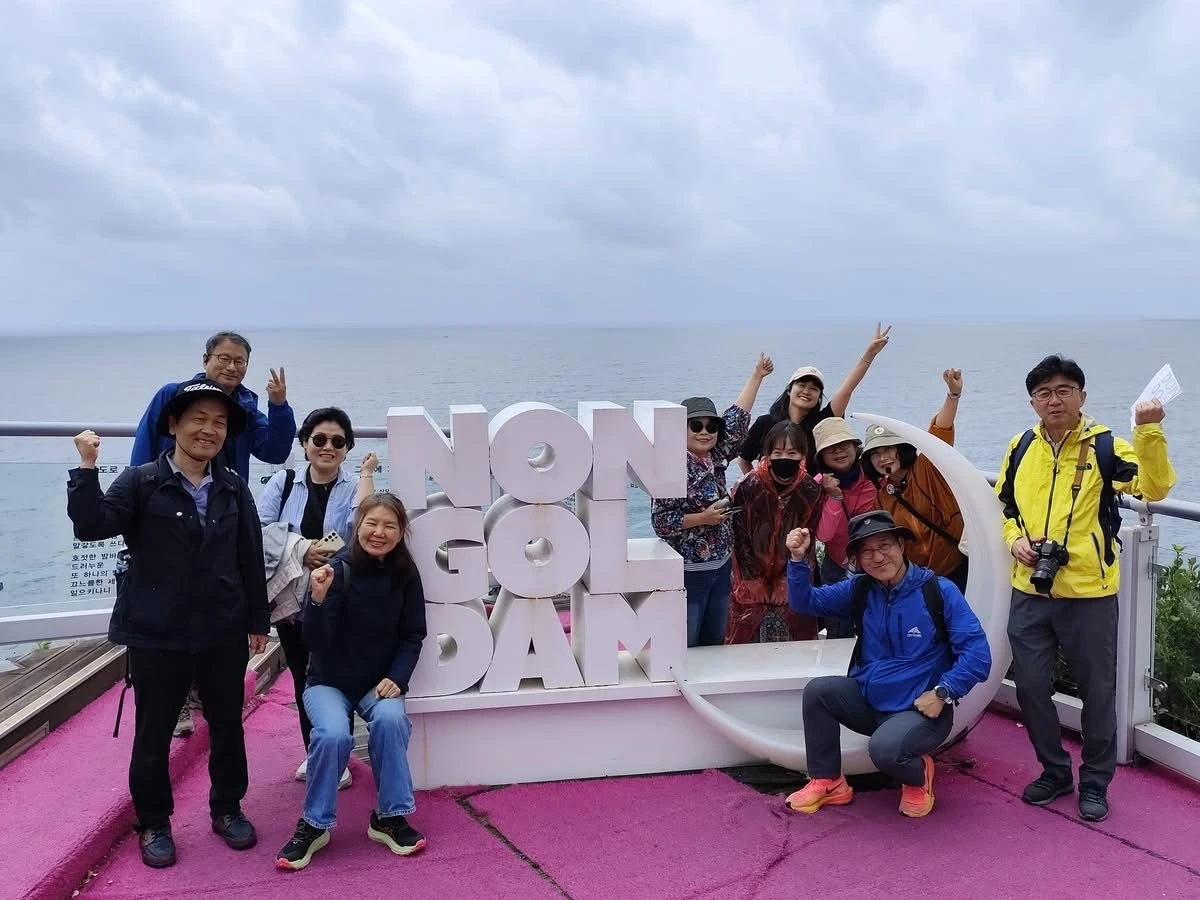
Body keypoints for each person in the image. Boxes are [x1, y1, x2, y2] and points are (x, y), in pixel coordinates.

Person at [67, 378, 269, 869]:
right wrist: (86, 468)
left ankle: (227, 808)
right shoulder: (141, 481)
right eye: (199, 419)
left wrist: (258, 621)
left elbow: (249, 554)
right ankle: (154, 822)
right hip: (158, 632)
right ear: (173, 424)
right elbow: (91, 526)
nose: (209, 430)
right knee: (154, 733)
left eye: (219, 422)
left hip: (222, 629)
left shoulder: (233, 486)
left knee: (228, 726)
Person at [997, 354, 1176, 824]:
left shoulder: (1107, 447)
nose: (1053, 400)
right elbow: (1007, 507)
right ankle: (1055, 771)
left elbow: (1154, 489)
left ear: (1081, 396)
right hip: (1030, 589)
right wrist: (1015, 541)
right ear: (1033, 401)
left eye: (1063, 391)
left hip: (1089, 593)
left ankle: (1095, 782)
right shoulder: (1020, 446)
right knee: (1030, 687)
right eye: (1043, 393)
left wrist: (1149, 431)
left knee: (1098, 693)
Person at [131, 330, 296, 738]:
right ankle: (178, 699)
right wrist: (138, 505)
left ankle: (205, 686)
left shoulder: (245, 407)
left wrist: (278, 407)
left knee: (220, 596)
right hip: (170, 512)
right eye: (224, 358)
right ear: (205, 359)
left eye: (240, 362)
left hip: (225, 514)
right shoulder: (173, 395)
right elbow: (142, 451)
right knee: (176, 601)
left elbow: (274, 451)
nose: (232, 367)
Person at [781, 511, 991, 818]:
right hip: (872, 701)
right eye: (867, 551)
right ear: (857, 559)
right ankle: (828, 781)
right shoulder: (860, 589)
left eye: (885, 545)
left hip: (921, 710)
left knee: (884, 750)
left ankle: (918, 775)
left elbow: (978, 653)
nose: (878, 557)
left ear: (901, 546)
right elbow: (805, 602)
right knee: (819, 692)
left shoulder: (938, 591)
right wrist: (798, 559)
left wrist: (944, 692)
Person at [276, 492, 429, 871]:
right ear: (357, 526)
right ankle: (315, 824)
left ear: (401, 532)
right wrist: (317, 598)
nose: (379, 532)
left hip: (378, 682)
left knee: (392, 720)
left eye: (390, 525)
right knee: (332, 735)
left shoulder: (406, 575)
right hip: (328, 682)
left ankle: (389, 817)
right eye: (371, 523)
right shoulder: (336, 570)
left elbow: (413, 635)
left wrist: (397, 677)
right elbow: (315, 642)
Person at [258, 407, 380, 790]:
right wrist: (301, 549)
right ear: (305, 442)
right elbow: (258, 531)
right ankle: (316, 752)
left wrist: (366, 475)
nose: (328, 447)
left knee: (336, 677)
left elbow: (363, 527)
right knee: (304, 678)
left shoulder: (354, 488)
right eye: (320, 439)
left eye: (338, 441)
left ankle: (337, 756)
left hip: (339, 600)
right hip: (293, 601)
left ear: (347, 448)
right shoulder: (283, 483)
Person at [651, 354, 774, 647]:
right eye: (696, 426)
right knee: (688, 641)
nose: (705, 432)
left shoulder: (716, 457)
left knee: (715, 640)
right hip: (689, 570)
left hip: (721, 566)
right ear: (679, 429)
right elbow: (661, 521)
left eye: (711, 426)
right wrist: (703, 518)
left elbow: (736, 421)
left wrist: (757, 376)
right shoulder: (671, 465)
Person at [860, 368, 968, 592]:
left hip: (959, 569)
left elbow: (940, 431)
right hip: (922, 581)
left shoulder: (927, 468)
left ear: (901, 449)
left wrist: (953, 395)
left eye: (888, 449)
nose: (883, 458)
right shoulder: (882, 498)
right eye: (875, 453)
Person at [736, 323, 891, 473]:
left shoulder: (823, 424)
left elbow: (847, 389)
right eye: (802, 385)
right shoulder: (765, 423)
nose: (806, 391)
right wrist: (757, 484)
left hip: (812, 490)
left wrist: (870, 354)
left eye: (814, 388)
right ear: (789, 390)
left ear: (819, 396)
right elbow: (744, 460)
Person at [725, 421, 824, 643]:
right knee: (743, 644)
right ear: (767, 455)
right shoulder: (747, 487)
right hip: (749, 582)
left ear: (803, 456)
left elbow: (808, 541)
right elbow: (738, 537)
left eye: (792, 453)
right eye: (777, 453)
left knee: (796, 643)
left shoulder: (810, 490)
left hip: (790, 579)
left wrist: (787, 581)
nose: (784, 459)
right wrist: (752, 579)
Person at [810, 417, 879, 638]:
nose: (839, 451)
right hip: (837, 566)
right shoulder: (816, 486)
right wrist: (834, 497)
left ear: (856, 448)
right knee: (839, 632)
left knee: (877, 627)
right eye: (831, 448)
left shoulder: (874, 476)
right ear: (821, 456)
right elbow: (824, 535)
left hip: (876, 562)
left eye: (844, 444)